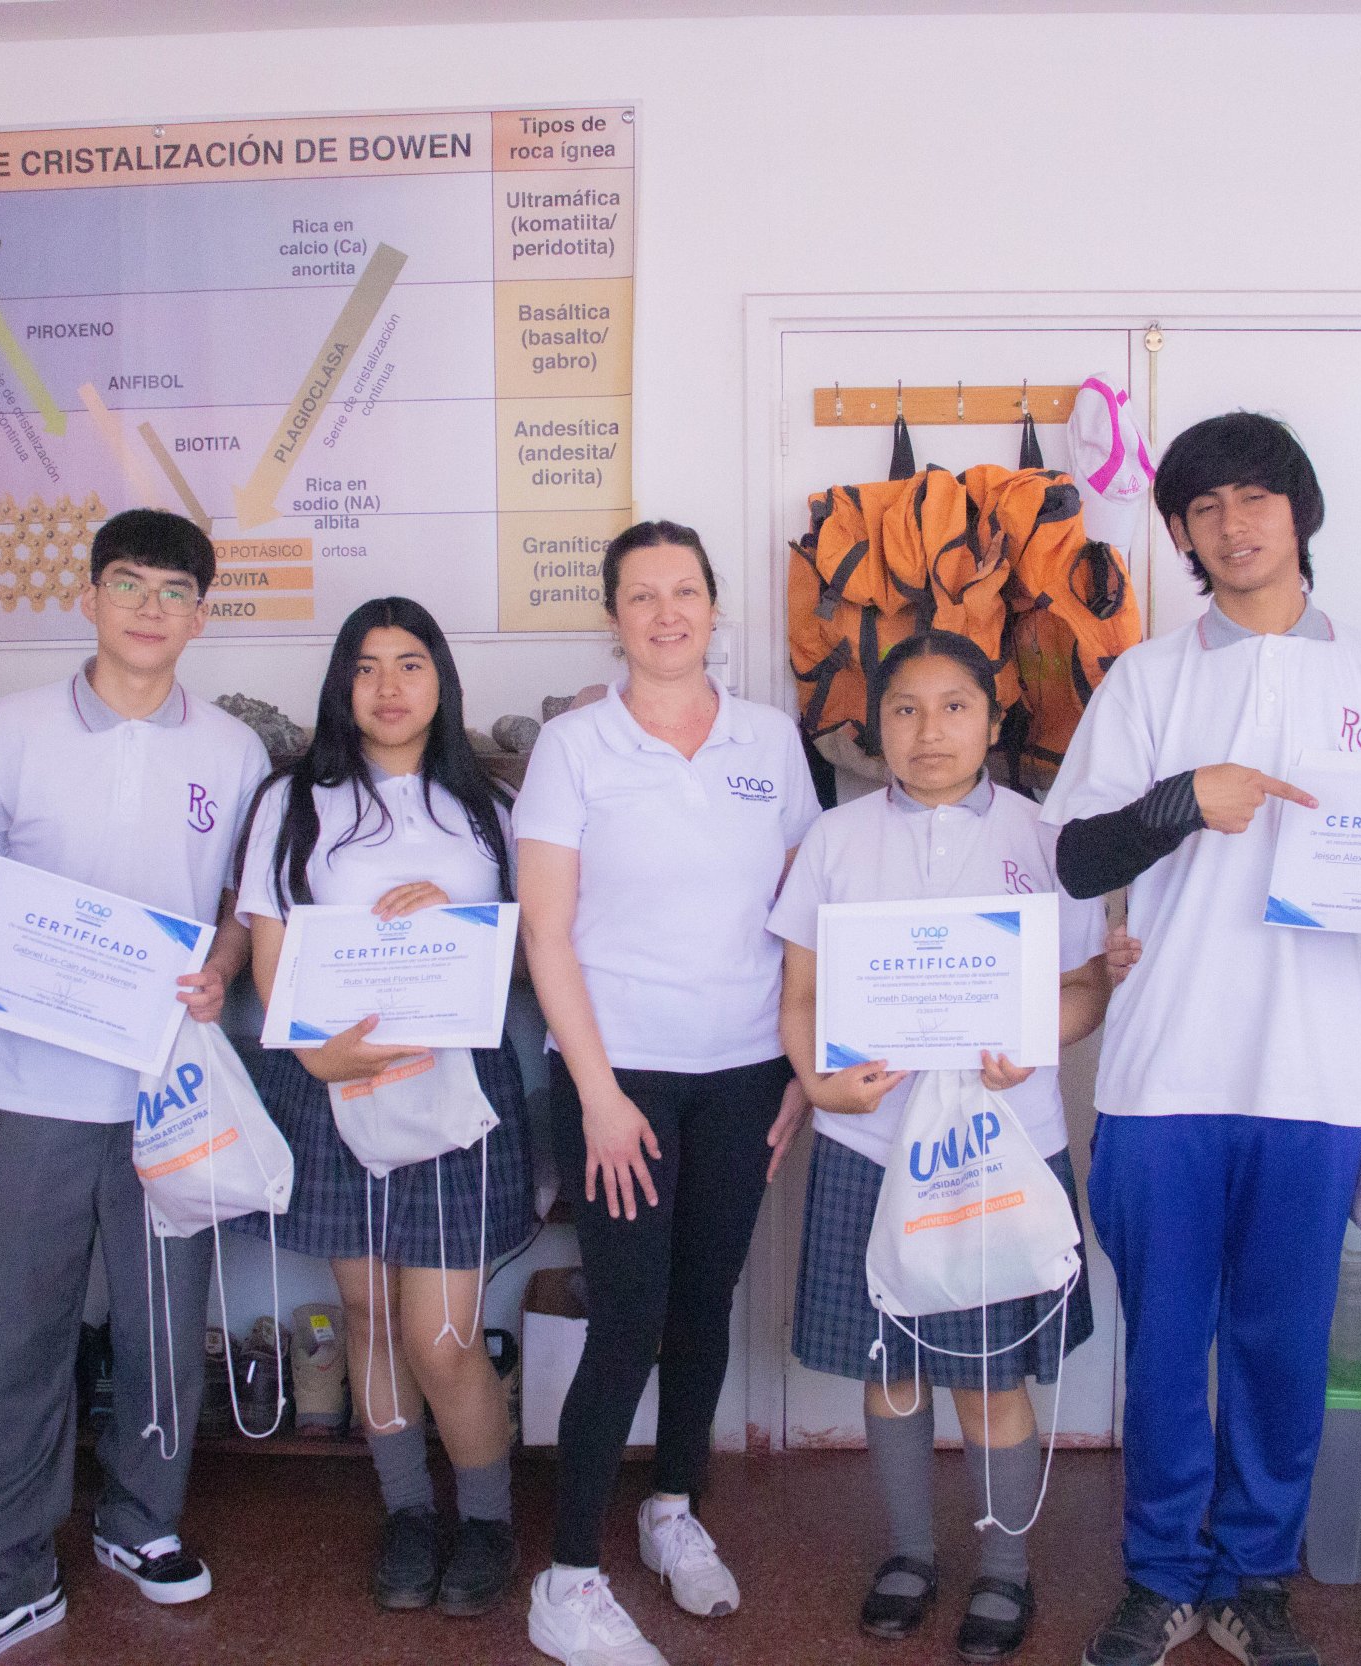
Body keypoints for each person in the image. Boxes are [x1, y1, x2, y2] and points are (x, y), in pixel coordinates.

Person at [1041, 411, 1361, 1666]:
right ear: (1179, 531)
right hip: (1164, 1069)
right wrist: (1181, 801)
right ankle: (1161, 1576)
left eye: (1255, 498)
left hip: (1318, 1071)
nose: (1233, 524)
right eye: (1204, 507)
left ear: (1299, 511)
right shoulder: (1146, 680)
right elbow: (1074, 857)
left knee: (1281, 1347)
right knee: (1167, 1347)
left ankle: (1254, 1580)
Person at [0, 508, 267, 1666]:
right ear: (89, 596)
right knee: (17, 1328)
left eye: (174, 591)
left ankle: (139, 1520)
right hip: (36, 1086)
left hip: (169, 1089)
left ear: (200, 616)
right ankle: (6, 1571)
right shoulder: (11, 729)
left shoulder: (234, 751)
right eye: (128, 583)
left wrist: (222, 969)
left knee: (164, 1325)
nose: (149, 607)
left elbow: (239, 908)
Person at [766, 630, 1120, 1663]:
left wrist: (1035, 1039)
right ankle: (910, 1553)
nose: (929, 730)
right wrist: (818, 1080)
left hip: (1003, 1143)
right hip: (868, 1142)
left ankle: (1005, 1569)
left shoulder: (1046, 836)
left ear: (994, 718)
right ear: (875, 726)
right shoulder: (835, 838)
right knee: (892, 1368)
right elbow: (799, 995)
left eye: (954, 706)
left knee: (988, 1376)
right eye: (905, 709)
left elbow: (1086, 986)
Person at [513, 521, 819, 1666]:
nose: (665, 612)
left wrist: (801, 1070)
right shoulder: (573, 747)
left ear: (712, 604)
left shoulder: (768, 740)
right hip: (619, 1075)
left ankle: (672, 1506)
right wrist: (596, 1092)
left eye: (684, 589)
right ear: (614, 616)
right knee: (630, 1315)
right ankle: (568, 1579)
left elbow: (805, 918)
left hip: (743, 1072)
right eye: (641, 595)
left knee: (703, 1302)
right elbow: (546, 932)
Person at [234, 595, 533, 1616]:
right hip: (332, 1080)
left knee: (441, 1334)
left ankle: (486, 1520)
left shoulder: (489, 806)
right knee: (366, 1311)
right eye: (366, 667)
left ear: (441, 680)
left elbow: (533, 955)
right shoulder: (293, 800)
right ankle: (407, 1508)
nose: (389, 686)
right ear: (341, 686)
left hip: (455, 1088)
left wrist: (465, 917)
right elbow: (271, 952)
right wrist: (318, 1055)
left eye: (410, 663)